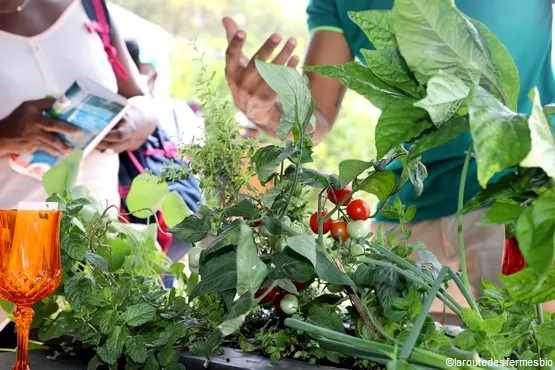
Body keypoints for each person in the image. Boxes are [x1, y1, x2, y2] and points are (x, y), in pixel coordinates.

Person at [222, 0, 555, 316]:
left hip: (520, 200)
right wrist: (268, 112)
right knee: (405, 352)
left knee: (530, 349)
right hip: (408, 215)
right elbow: (316, 116)